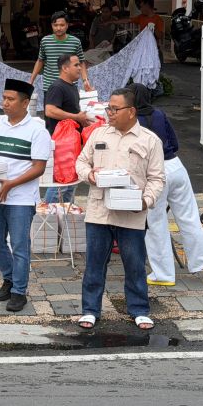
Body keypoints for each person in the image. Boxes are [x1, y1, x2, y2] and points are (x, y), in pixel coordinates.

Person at [75, 88, 165, 330]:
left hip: (132, 214)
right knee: (94, 263)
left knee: (135, 263)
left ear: (131, 111)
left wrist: (146, 201)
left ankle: (139, 309)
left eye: (115, 109)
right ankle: (90, 309)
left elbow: (157, 179)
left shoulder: (149, 140)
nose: (110, 113)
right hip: (99, 211)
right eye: (108, 108)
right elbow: (81, 162)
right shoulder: (99, 134)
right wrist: (90, 175)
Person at [127, 84, 203, 286]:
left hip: (154, 173)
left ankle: (163, 274)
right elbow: (175, 143)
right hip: (176, 167)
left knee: (155, 223)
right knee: (189, 218)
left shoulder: (132, 121)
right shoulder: (160, 114)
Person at [0, 79, 50, 312]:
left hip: (20, 198)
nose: (5, 103)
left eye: (10, 99)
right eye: (4, 98)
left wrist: (11, 184)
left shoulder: (37, 130)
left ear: (25, 103)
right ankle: (9, 279)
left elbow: (38, 167)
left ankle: (19, 291)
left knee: (19, 245)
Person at [44, 54, 91, 204]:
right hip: (61, 145)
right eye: (76, 65)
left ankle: (62, 216)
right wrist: (76, 117)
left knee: (70, 182)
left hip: (72, 143)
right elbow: (50, 110)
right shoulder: (57, 87)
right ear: (65, 68)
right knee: (61, 185)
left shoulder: (71, 87)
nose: (80, 68)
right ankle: (49, 215)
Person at [29, 11, 91, 93]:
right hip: (50, 86)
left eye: (62, 25)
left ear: (67, 25)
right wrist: (31, 81)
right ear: (52, 26)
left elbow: (81, 62)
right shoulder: (45, 41)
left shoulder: (75, 42)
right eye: (55, 25)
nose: (58, 28)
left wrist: (85, 80)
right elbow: (40, 61)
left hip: (70, 86)